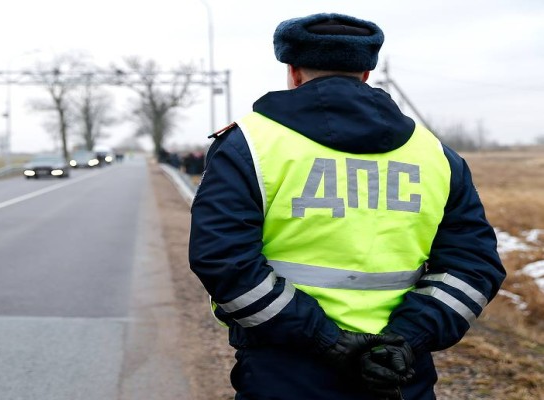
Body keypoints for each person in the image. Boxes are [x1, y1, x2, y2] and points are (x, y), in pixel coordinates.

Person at [188, 12, 505, 400]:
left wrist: (327, 341)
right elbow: (474, 267)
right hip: (398, 372)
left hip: (284, 369)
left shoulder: (248, 146)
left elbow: (223, 262)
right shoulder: (437, 155)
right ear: (367, 74)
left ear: (294, 72)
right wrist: (406, 339)